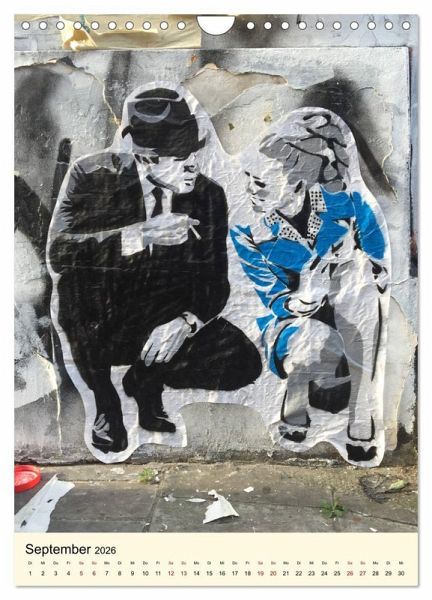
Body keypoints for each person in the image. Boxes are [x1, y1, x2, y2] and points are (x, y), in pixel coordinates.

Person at [47, 84, 261, 454]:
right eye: (179, 158)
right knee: (74, 286)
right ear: (147, 160)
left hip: (165, 317)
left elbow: (216, 283)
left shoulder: (208, 195)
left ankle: (145, 380)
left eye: (193, 153)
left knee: (243, 363)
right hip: (106, 319)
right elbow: (59, 254)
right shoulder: (93, 177)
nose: (192, 165)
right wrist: (140, 235)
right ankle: (105, 402)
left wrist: (186, 323)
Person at [231, 107, 390, 463]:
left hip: (353, 320)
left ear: (297, 183)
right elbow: (271, 296)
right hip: (292, 325)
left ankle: (361, 407)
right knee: (312, 338)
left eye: (261, 182)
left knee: (358, 273)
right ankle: (296, 396)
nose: (250, 190)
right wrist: (301, 298)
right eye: (248, 178)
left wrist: (353, 260)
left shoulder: (346, 203)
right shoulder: (247, 230)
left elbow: (380, 267)